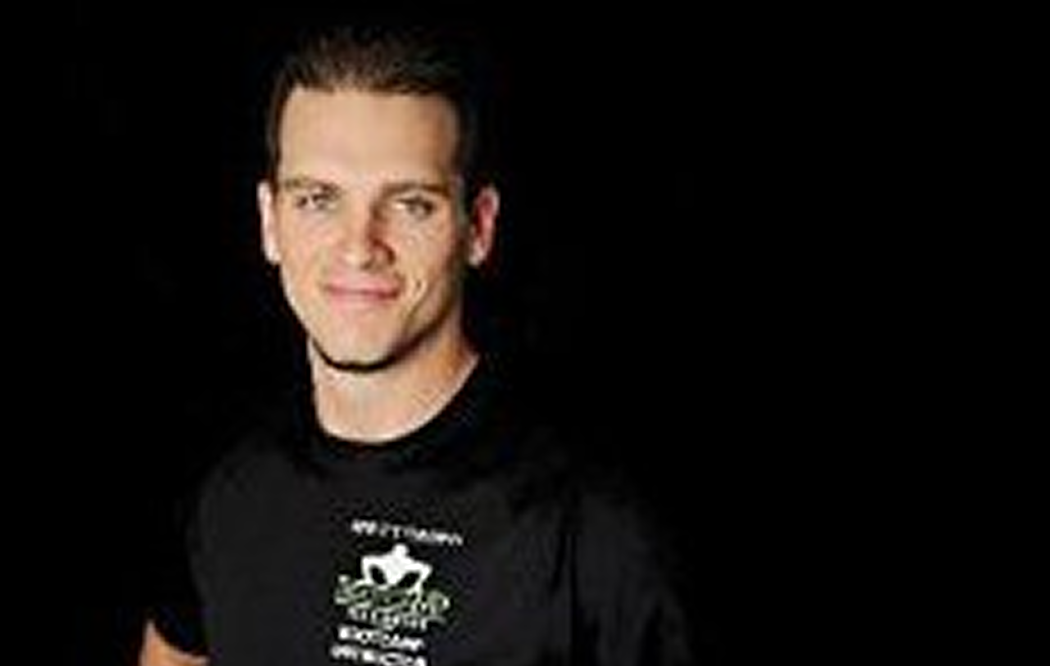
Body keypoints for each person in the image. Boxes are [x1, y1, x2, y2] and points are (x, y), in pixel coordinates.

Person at [140, 21, 694, 666]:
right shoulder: (226, 491)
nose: (358, 246)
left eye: (410, 204)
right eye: (318, 199)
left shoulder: (600, 530)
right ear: (270, 222)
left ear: (478, 228)